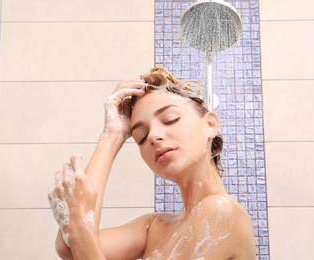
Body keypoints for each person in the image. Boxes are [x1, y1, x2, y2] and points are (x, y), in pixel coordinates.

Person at [48, 67, 256, 259]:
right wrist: (112, 136)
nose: (153, 136)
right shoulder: (154, 227)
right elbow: (70, 246)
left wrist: (80, 226)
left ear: (210, 124)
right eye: (141, 136)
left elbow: (80, 236)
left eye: (170, 119)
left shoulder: (221, 210)